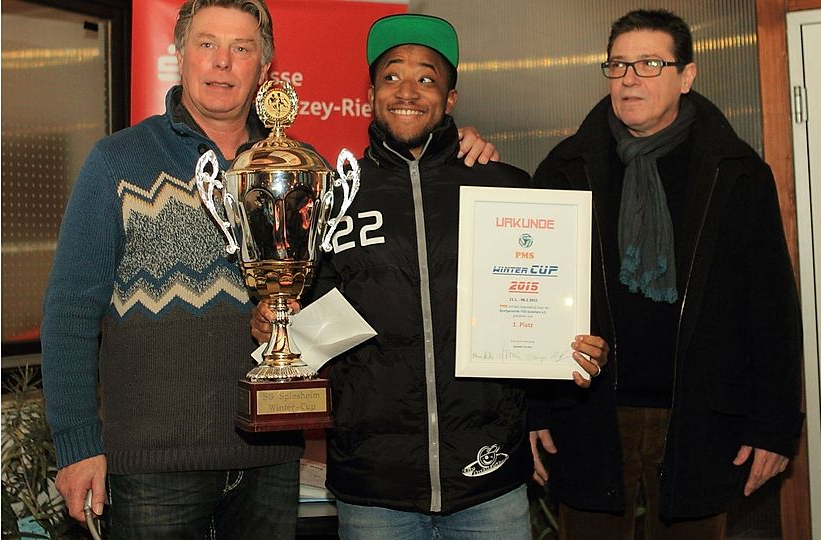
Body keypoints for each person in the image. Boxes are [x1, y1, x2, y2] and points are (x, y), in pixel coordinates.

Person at [40, 1, 498, 537]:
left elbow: (349, 290)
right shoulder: (116, 161)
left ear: (264, 69)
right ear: (180, 56)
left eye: (242, 48)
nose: (222, 62)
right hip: (153, 467)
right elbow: (69, 311)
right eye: (207, 44)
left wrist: (456, 151)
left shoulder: (303, 170)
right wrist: (76, 444)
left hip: (272, 461)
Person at [251, 13, 593, 540]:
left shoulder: (504, 189)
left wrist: (572, 349)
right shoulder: (329, 198)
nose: (407, 91)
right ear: (370, 95)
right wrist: (275, 326)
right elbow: (304, 319)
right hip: (374, 489)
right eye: (391, 76)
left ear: (450, 99)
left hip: (488, 481)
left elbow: (543, 305)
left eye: (426, 78)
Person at [527, 9, 804, 539]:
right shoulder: (565, 168)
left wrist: (774, 426)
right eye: (618, 65)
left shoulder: (736, 172)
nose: (630, 78)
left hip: (702, 418)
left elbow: (771, 308)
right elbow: (532, 294)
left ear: (686, 75)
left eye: (650, 64)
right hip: (588, 417)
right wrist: (533, 411)